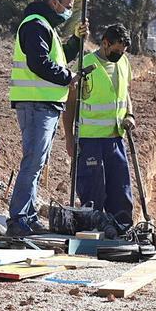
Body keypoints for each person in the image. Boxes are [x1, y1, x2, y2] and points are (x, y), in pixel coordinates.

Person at [6, 0, 87, 236]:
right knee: (32, 163)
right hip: (36, 104)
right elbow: (39, 63)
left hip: (46, 104)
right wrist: (68, 77)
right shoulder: (35, 24)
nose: (68, 12)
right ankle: (19, 219)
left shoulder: (45, 27)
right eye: (68, 7)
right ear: (55, 3)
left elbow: (59, 56)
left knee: (37, 163)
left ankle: (28, 217)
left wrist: (76, 40)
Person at [62, 23, 135, 226]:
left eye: (123, 52)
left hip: (115, 138)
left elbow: (125, 93)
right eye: (116, 50)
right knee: (92, 189)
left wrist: (130, 114)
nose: (119, 55)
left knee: (120, 188)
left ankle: (121, 229)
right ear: (105, 43)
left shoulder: (123, 63)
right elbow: (70, 104)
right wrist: (69, 136)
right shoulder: (85, 64)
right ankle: (91, 228)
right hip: (89, 139)